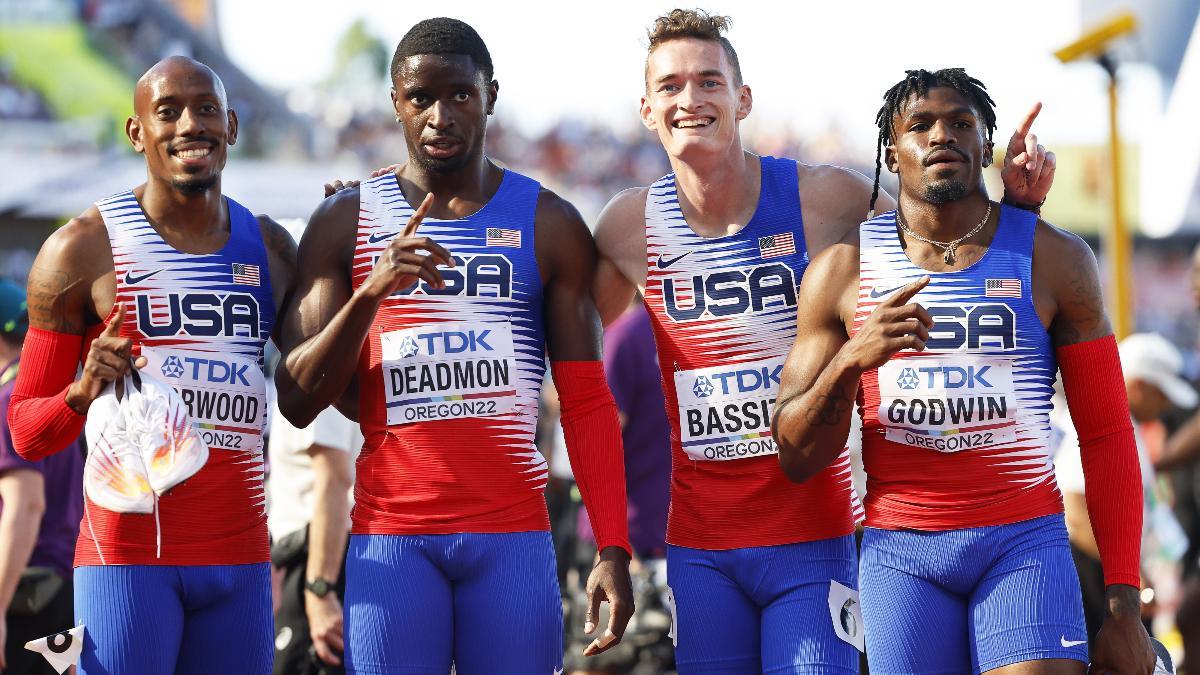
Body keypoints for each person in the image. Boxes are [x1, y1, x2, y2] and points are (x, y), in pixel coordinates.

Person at [591, 11, 1054, 672]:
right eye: (669, 87)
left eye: (708, 82)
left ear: (742, 98)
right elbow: (570, 373)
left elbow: (941, 252)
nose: (689, 100)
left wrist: (1018, 211)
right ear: (646, 108)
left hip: (814, 535)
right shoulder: (625, 227)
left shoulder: (825, 198)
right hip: (700, 546)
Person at [275, 18, 633, 674]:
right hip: (393, 542)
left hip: (512, 540)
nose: (440, 115)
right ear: (396, 103)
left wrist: (612, 542)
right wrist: (372, 290)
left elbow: (584, 401)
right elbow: (298, 397)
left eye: (460, 96)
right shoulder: (345, 219)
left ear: (491, 95)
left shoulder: (548, 222)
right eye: (421, 98)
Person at [772, 67, 1153, 674]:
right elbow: (793, 452)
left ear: (985, 145)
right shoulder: (842, 270)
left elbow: (1106, 435)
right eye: (919, 125)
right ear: (891, 154)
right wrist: (850, 360)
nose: (941, 135)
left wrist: (1125, 607)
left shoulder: (1054, 259)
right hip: (902, 555)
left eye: (961, 123)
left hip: (1022, 539)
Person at [6, 56, 296, 673]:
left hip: (239, 558)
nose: (190, 125)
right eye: (168, 112)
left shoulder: (269, 246)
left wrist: (352, 225)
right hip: (127, 563)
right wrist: (82, 389)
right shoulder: (81, 248)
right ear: (138, 133)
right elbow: (27, 433)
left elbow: (319, 384)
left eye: (206, 109)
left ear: (233, 125)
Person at [1054, 332, 1194, 646]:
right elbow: (1075, 510)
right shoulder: (1099, 425)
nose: (1167, 404)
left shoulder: (1126, 427)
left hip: (1104, 575)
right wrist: (1127, 579)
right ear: (1139, 385)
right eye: (1162, 393)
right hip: (1090, 577)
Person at [0, 279, 84, 675]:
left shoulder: (7, 399)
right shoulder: (49, 392)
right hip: (63, 590)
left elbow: (26, 504)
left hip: (25, 596)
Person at [267, 403, 363, 674]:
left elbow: (334, 478)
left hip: (318, 561)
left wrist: (320, 590)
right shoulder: (308, 377)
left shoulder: (320, 380)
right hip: (313, 557)